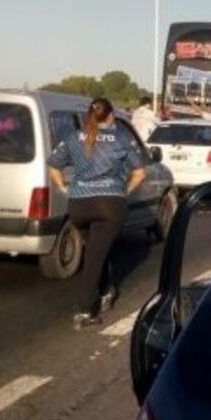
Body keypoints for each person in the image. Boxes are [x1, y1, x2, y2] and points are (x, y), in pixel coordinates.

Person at [48, 98, 147, 329]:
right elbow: (140, 173)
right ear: (111, 115)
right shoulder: (122, 139)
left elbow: (53, 165)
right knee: (94, 257)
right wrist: (123, 191)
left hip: (79, 205)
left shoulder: (74, 138)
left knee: (96, 251)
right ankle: (84, 311)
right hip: (110, 205)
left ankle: (105, 291)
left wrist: (64, 188)